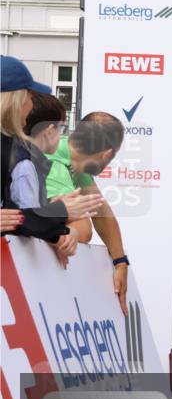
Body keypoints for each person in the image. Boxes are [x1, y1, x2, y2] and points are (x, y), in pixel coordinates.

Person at [1, 68, 101, 262]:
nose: (30, 104)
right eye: (28, 97)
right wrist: (59, 216)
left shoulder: (19, 153)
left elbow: (18, 218)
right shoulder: (22, 159)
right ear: (15, 101)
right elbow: (22, 220)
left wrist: (56, 229)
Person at [45, 110, 130, 313]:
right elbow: (82, 230)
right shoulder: (55, 163)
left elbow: (101, 212)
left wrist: (120, 263)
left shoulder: (74, 156)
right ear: (106, 154)